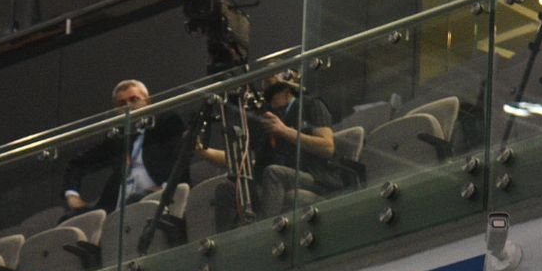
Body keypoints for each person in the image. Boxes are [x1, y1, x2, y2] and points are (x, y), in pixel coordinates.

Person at [197, 69, 341, 217]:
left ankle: (265, 227)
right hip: (270, 180)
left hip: (313, 177)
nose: (268, 75)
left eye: (274, 71)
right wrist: (204, 151)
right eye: (265, 73)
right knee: (226, 189)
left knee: (273, 173)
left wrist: (284, 130)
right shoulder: (261, 118)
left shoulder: (311, 105)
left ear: (291, 79)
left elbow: (327, 147)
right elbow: (240, 159)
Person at [62, 79, 187, 214]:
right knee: (69, 217)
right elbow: (77, 164)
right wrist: (72, 195)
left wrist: (165, 188)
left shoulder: (165, 124)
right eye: (122, 104)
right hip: (118, 207)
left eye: (134, 100)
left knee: (135, 201)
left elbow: (181, 157)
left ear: (148, 102)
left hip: (158, 199)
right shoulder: (117, 138)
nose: (128, 107)